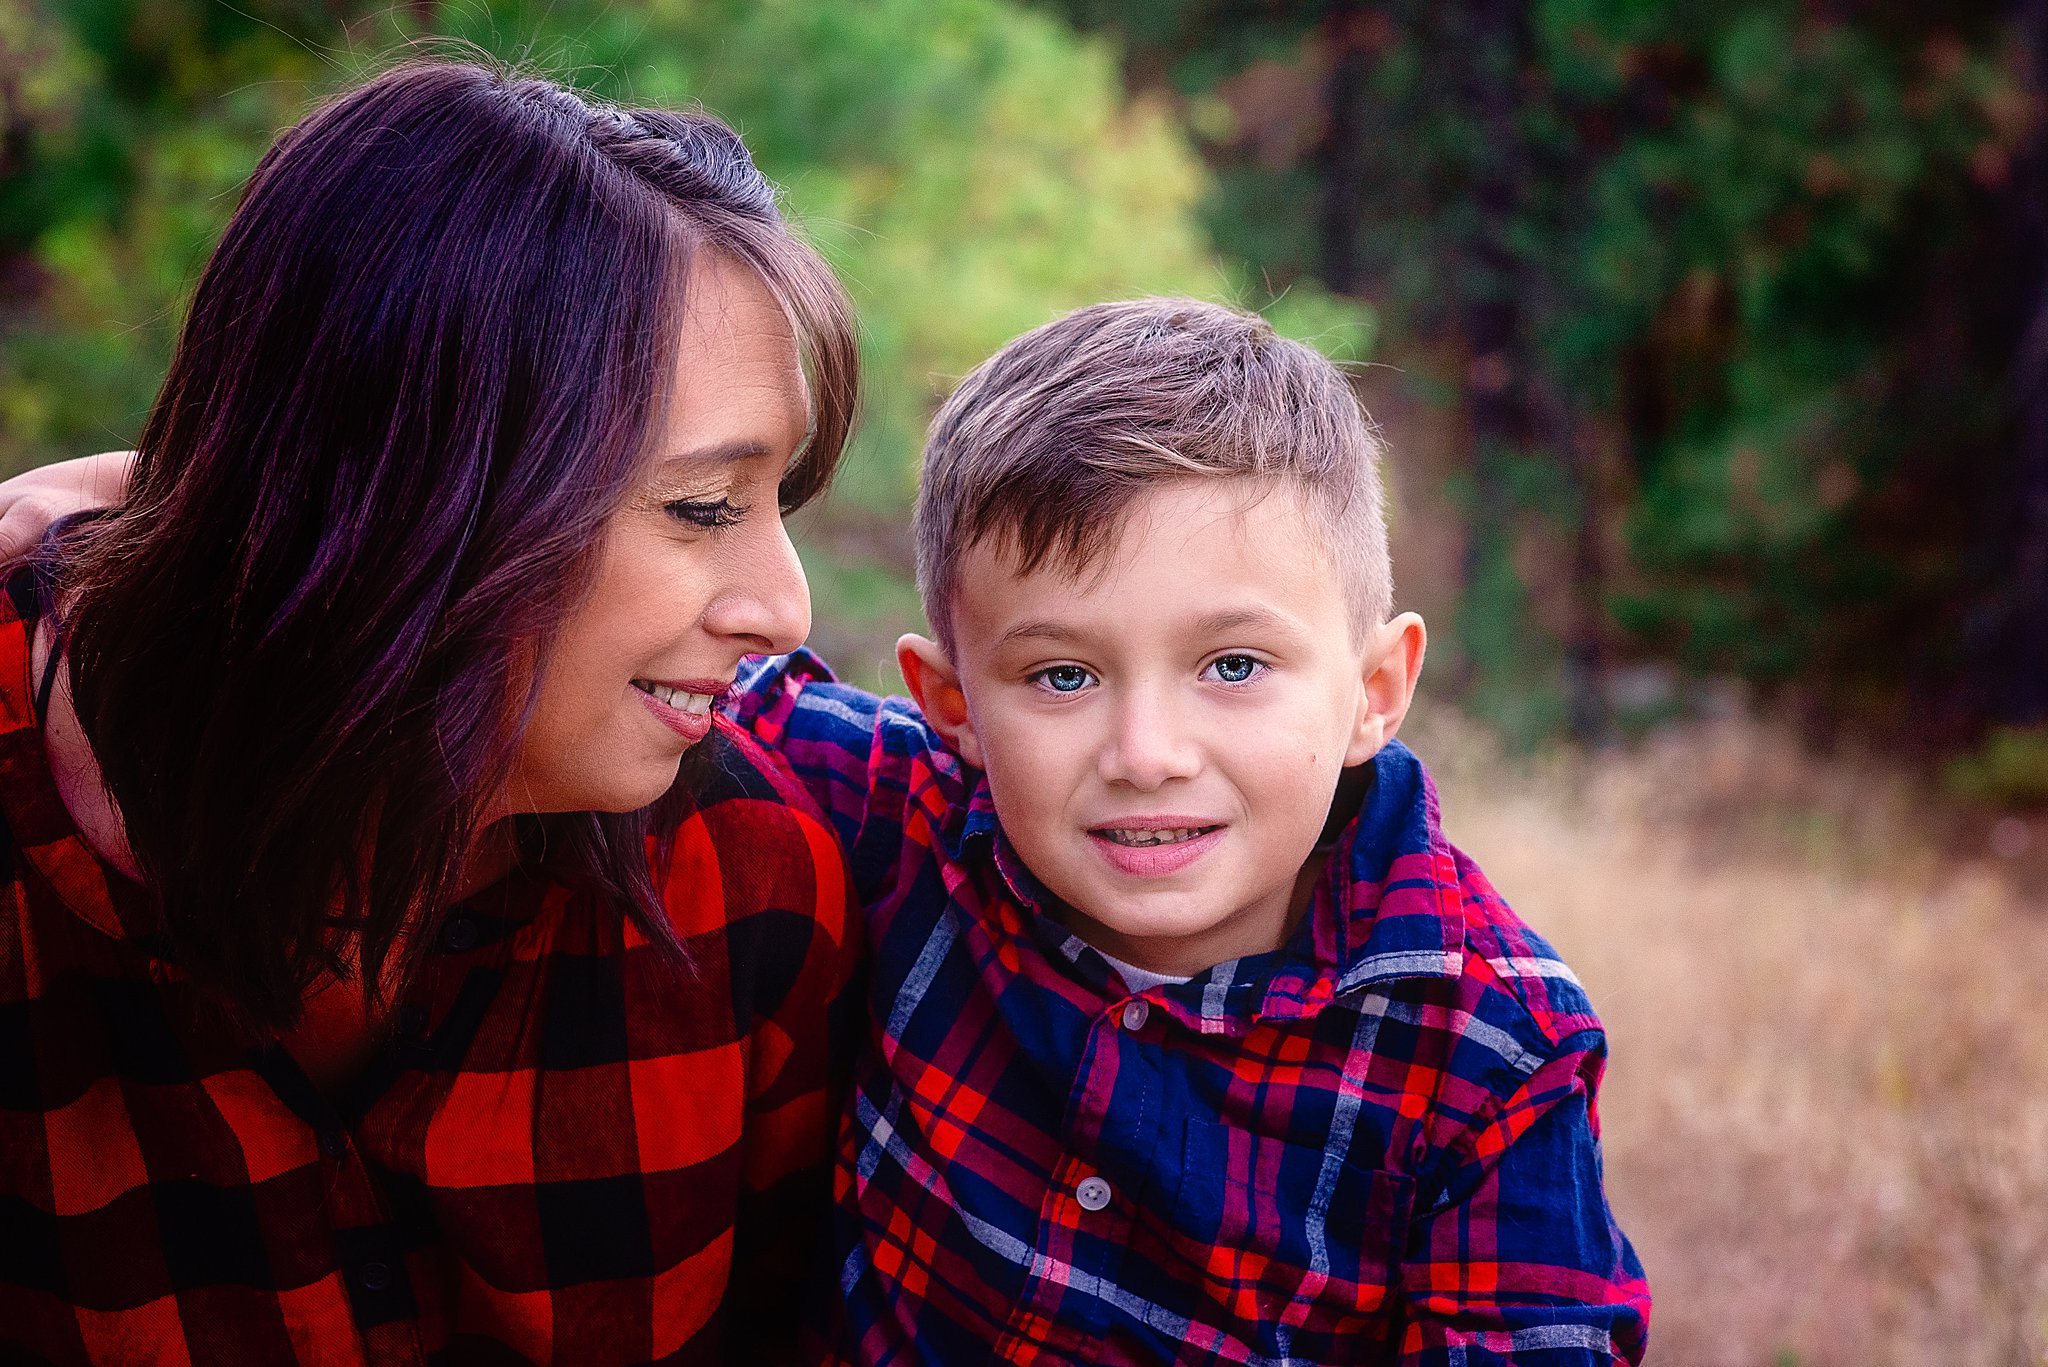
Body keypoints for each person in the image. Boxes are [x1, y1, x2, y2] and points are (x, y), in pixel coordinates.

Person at [0, 59, 861, 1366]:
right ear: (412, 492)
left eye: (776, 503)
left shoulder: (760, 867)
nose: (783, 609)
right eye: (701, 507)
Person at [723, 299, 1652, 1363]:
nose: (1147, 751)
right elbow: (673, 674)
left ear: (1374, 689)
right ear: (952, 705)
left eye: (1232, 665)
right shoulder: (911, 814)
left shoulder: (1486, 1047)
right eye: (1061, 675)